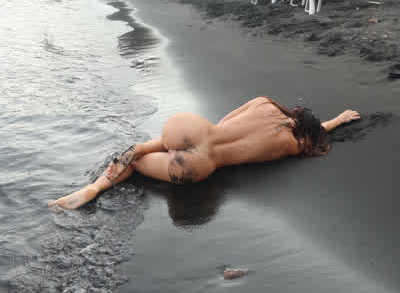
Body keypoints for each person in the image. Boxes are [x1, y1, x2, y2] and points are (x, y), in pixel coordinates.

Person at [48, 97, 360, 210]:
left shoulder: (263, 102)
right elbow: (317, 134)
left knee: (143, 149)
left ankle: (96, 186)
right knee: (142, 164)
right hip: (200, 165)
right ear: (305, 133)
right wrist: (338, 120)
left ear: (293, 111)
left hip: (192, 129)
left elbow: (225, 121)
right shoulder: (290, 146)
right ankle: (95, 189)